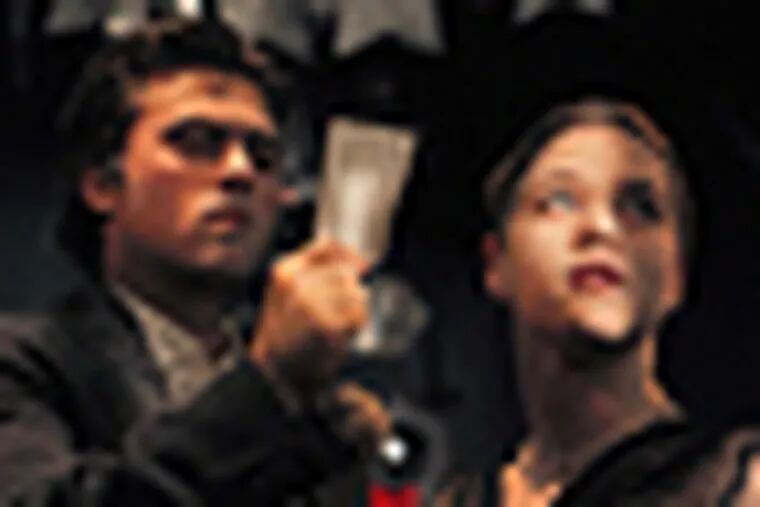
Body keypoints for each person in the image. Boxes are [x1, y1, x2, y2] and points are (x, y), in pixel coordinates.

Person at [0, 19, 391, 506]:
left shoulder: (309, 419)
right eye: (198, 141)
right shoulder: (20, 364)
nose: (240, 171)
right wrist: (267, 383)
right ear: (103, 184)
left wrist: (323, 449)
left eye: (264, 156)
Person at [481, 97, 760, 506]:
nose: (602, 227)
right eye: (560, 200)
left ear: (675, 276)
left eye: (642, 209)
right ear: (496, 261)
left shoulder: (739, 481)